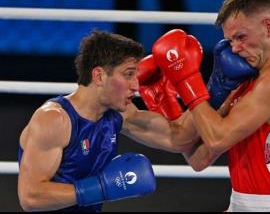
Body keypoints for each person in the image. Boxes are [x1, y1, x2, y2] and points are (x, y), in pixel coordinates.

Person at [150, 0, 270, 212]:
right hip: (238, 204)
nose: (235, 48)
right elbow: (198, 159)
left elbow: (217, 139)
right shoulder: (244, 82)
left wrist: (187, 79)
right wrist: (168, 102)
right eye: (230, 40)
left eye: (241, 37)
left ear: (267, 27)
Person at [17, 29, 198, 212]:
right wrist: (101, 188)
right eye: (128, 74)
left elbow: (178, 138)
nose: (136, 86)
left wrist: (216, 86)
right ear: (99, 76)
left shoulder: (118, 113)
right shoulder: (54, 120)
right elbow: (31, 196)